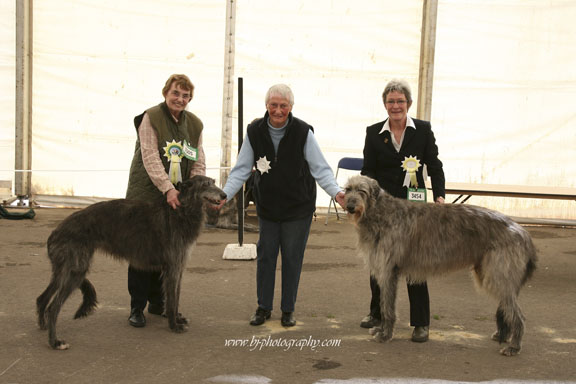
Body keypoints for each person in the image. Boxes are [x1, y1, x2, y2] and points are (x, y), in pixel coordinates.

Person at [220, 84, 345, 327]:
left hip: (298, 207)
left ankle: (288, 309)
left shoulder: (303, 132)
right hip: (268, 206)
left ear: (290, 108)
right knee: (266, 257)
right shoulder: (254, 131)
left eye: (283, 106)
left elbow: (321, 169)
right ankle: (263, 307)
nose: (278, 110)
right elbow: (242, 169)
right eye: (274, 105)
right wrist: (224, 194)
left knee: (291, 257)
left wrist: (337, 193)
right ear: (267, 106)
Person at [360, 78, 445, 342]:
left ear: (408, 103)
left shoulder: (422, 130)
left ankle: (420, 323)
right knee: (380, 263)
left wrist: (440, 196)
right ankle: (377, 314)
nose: (395, 106)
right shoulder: (373, 132)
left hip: (414, 208)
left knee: (414, 263)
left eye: (400, 101)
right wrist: (367, 196)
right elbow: (369, 170)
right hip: (382, 211)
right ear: (385, 104)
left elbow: (434, 164)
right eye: (390, 101)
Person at [125, 74, 206, 327]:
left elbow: (198, 160)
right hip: (147, 196)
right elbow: (149, 157)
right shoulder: (151, 117)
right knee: (141, 251)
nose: (180, 99)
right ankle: (137, 307)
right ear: (165, 93)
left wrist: (194, 191)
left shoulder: (194, 124)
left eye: (185, 95)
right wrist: (168, 189)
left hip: (177, 198)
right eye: (175, 93)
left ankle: (159, 303)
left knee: (170, 252)